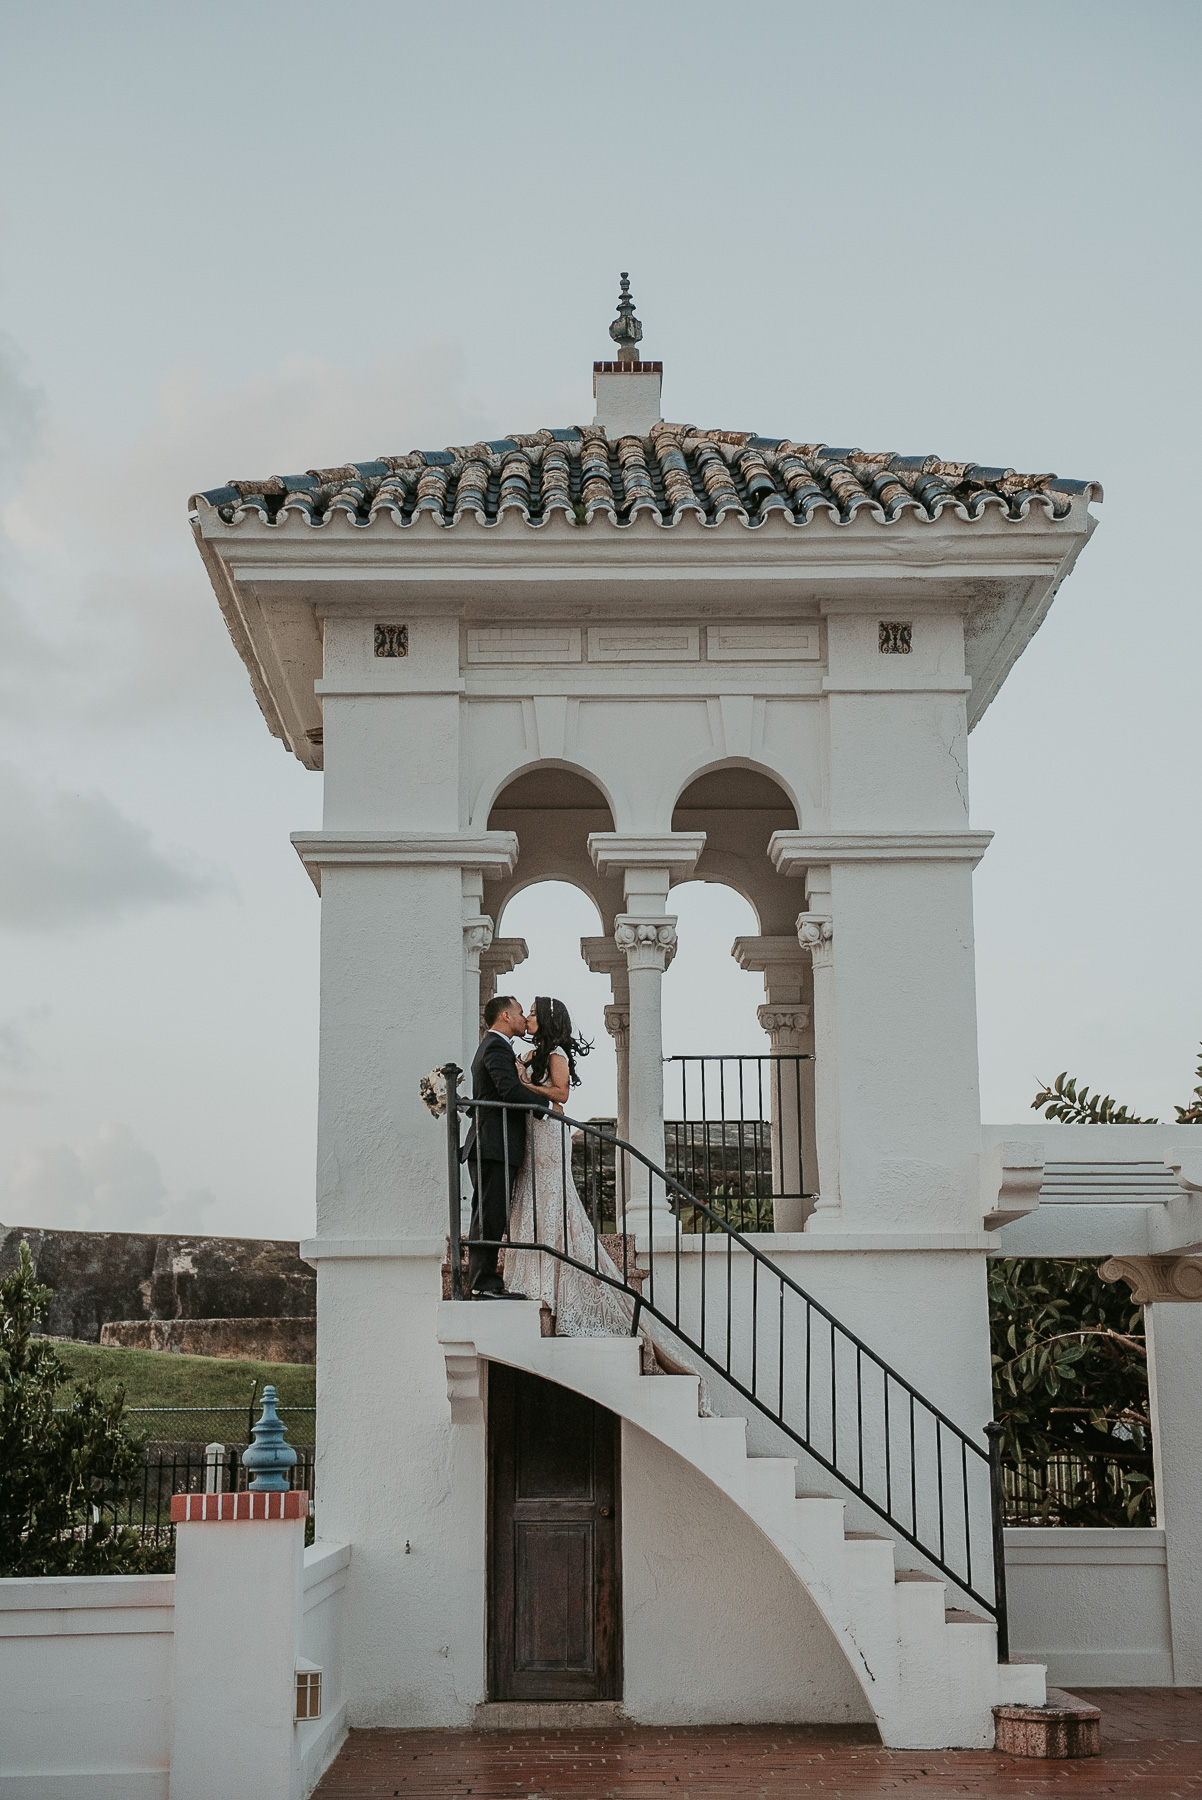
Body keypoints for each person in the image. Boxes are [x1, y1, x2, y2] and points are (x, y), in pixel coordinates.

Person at [462, 994, 545, 1298]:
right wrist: (545, 1103)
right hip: (493, 1144)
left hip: (492, 1144)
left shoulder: (495, 1046)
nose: (524, 1019)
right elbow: (508, 1090)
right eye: (521, 1012)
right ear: (506, 1016)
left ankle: (481, 1281)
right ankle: (483, 1284)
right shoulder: (495, 1045)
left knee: (488, 1212)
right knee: (490, 1214)